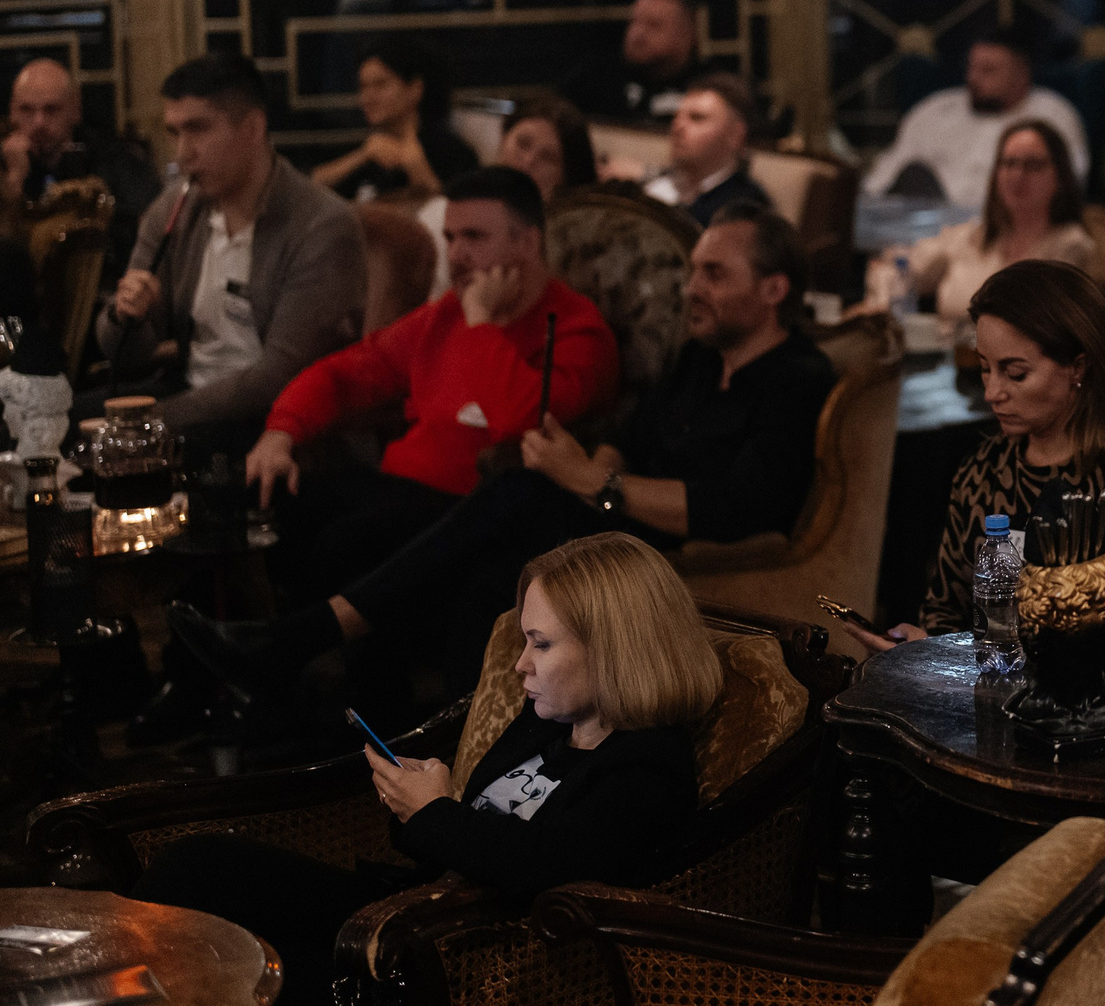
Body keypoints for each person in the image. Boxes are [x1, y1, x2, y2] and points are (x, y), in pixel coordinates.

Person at [176, 206, 832, 699]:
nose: (691, 287)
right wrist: (591, 467)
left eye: (714, 273)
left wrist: (596, 484)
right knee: (483, 577)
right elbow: (630, 437)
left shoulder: (797, 380)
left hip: (688, 549)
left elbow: (741, 507)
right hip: (616, 515)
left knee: (513, 494)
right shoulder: (701, 358)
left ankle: (299, 643)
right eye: (692, 271)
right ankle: (425, 741)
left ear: (774, 289)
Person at [138, 533, 720, 993]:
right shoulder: (549, 720)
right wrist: (416, 803)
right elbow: (461, 839)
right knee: (194, 866)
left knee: (225, 968)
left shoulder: (646, 771)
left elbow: (541, 868)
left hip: (465, 968)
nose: (520, 664)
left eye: (541, 644)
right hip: (411, 914)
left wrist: (435, 813)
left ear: (615, 650)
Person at [243, 167, 619, 604]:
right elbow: (344, 374)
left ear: (528, 243)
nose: (455, 255)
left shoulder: (576, 330)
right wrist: (281, 432)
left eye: (474, 237)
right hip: (398, 484)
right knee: (270, 498)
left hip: (471, 511)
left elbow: (521, 420)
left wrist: (480, 324)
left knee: (341, 547)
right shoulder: (447, 314)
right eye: (450, 238)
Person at [836, 259, 1105, 647]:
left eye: (1015, 373)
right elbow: (945, 611)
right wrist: (923, 647)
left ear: (1078, 367)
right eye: (985, 368)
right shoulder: (984, 468)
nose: (992, 393)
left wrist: (971, 652)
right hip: (979, 676)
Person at [94, 54, 365, 452]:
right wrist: (125, 317)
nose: (182, 153)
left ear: (252, 128)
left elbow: (279, 377)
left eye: (198, 129)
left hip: (276, 423)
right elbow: (128, 357)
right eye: (175, 132)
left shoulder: (322, 226)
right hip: (190, 391)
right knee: (63, 421)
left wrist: (151, 423)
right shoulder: (175, 210)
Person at [865, 120, 1097, 348]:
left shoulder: (1072, 246)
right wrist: (882, 304)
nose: (1018, 175)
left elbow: (1037, 326)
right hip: (948, 361)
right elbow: (898, 265)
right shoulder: (972, 236)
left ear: (1060, 176)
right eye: (1009, 163)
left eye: (1033, 165)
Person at [860, 27, 1089, 202]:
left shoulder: (1052, 114)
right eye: (971, 68)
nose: (973, 78)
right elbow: (883, 179)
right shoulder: (934, 110)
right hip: (927, 230)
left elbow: (1070, 184)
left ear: (1022, 75)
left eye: (988, 71)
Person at [418, 92, 597, 299]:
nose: (528, 161)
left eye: (547, 157)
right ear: (503, 140)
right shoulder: (443, 214)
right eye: (523, 144)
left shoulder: (573, 244)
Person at [1, 56, 161, 248]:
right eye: (26, 110)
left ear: (74, 110)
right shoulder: (4, 164)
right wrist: (14, 181)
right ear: (12, 111)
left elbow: (149, 221)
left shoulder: (111, 157)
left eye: (51, 110)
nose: (39, 122)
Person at [310, 35, 479, 204]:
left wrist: (416, 167)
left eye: (380, 84)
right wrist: (363, 155)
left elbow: (463, 210)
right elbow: (309, 190)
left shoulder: (450, 150)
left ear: (415, 89)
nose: (368, 97)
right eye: (363, 86)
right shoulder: (366, 148)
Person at [562, 0, 715, 126]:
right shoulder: (596, 77)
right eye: (634, 22)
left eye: (653, 25)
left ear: (687, 35)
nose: (638, 34)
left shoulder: (710, 89)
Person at [641, 75, 771, 227]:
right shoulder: (657, 184)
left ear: (735, 135)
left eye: (697, 118)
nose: (677, 126)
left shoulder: (747, 210)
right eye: (676, 116)